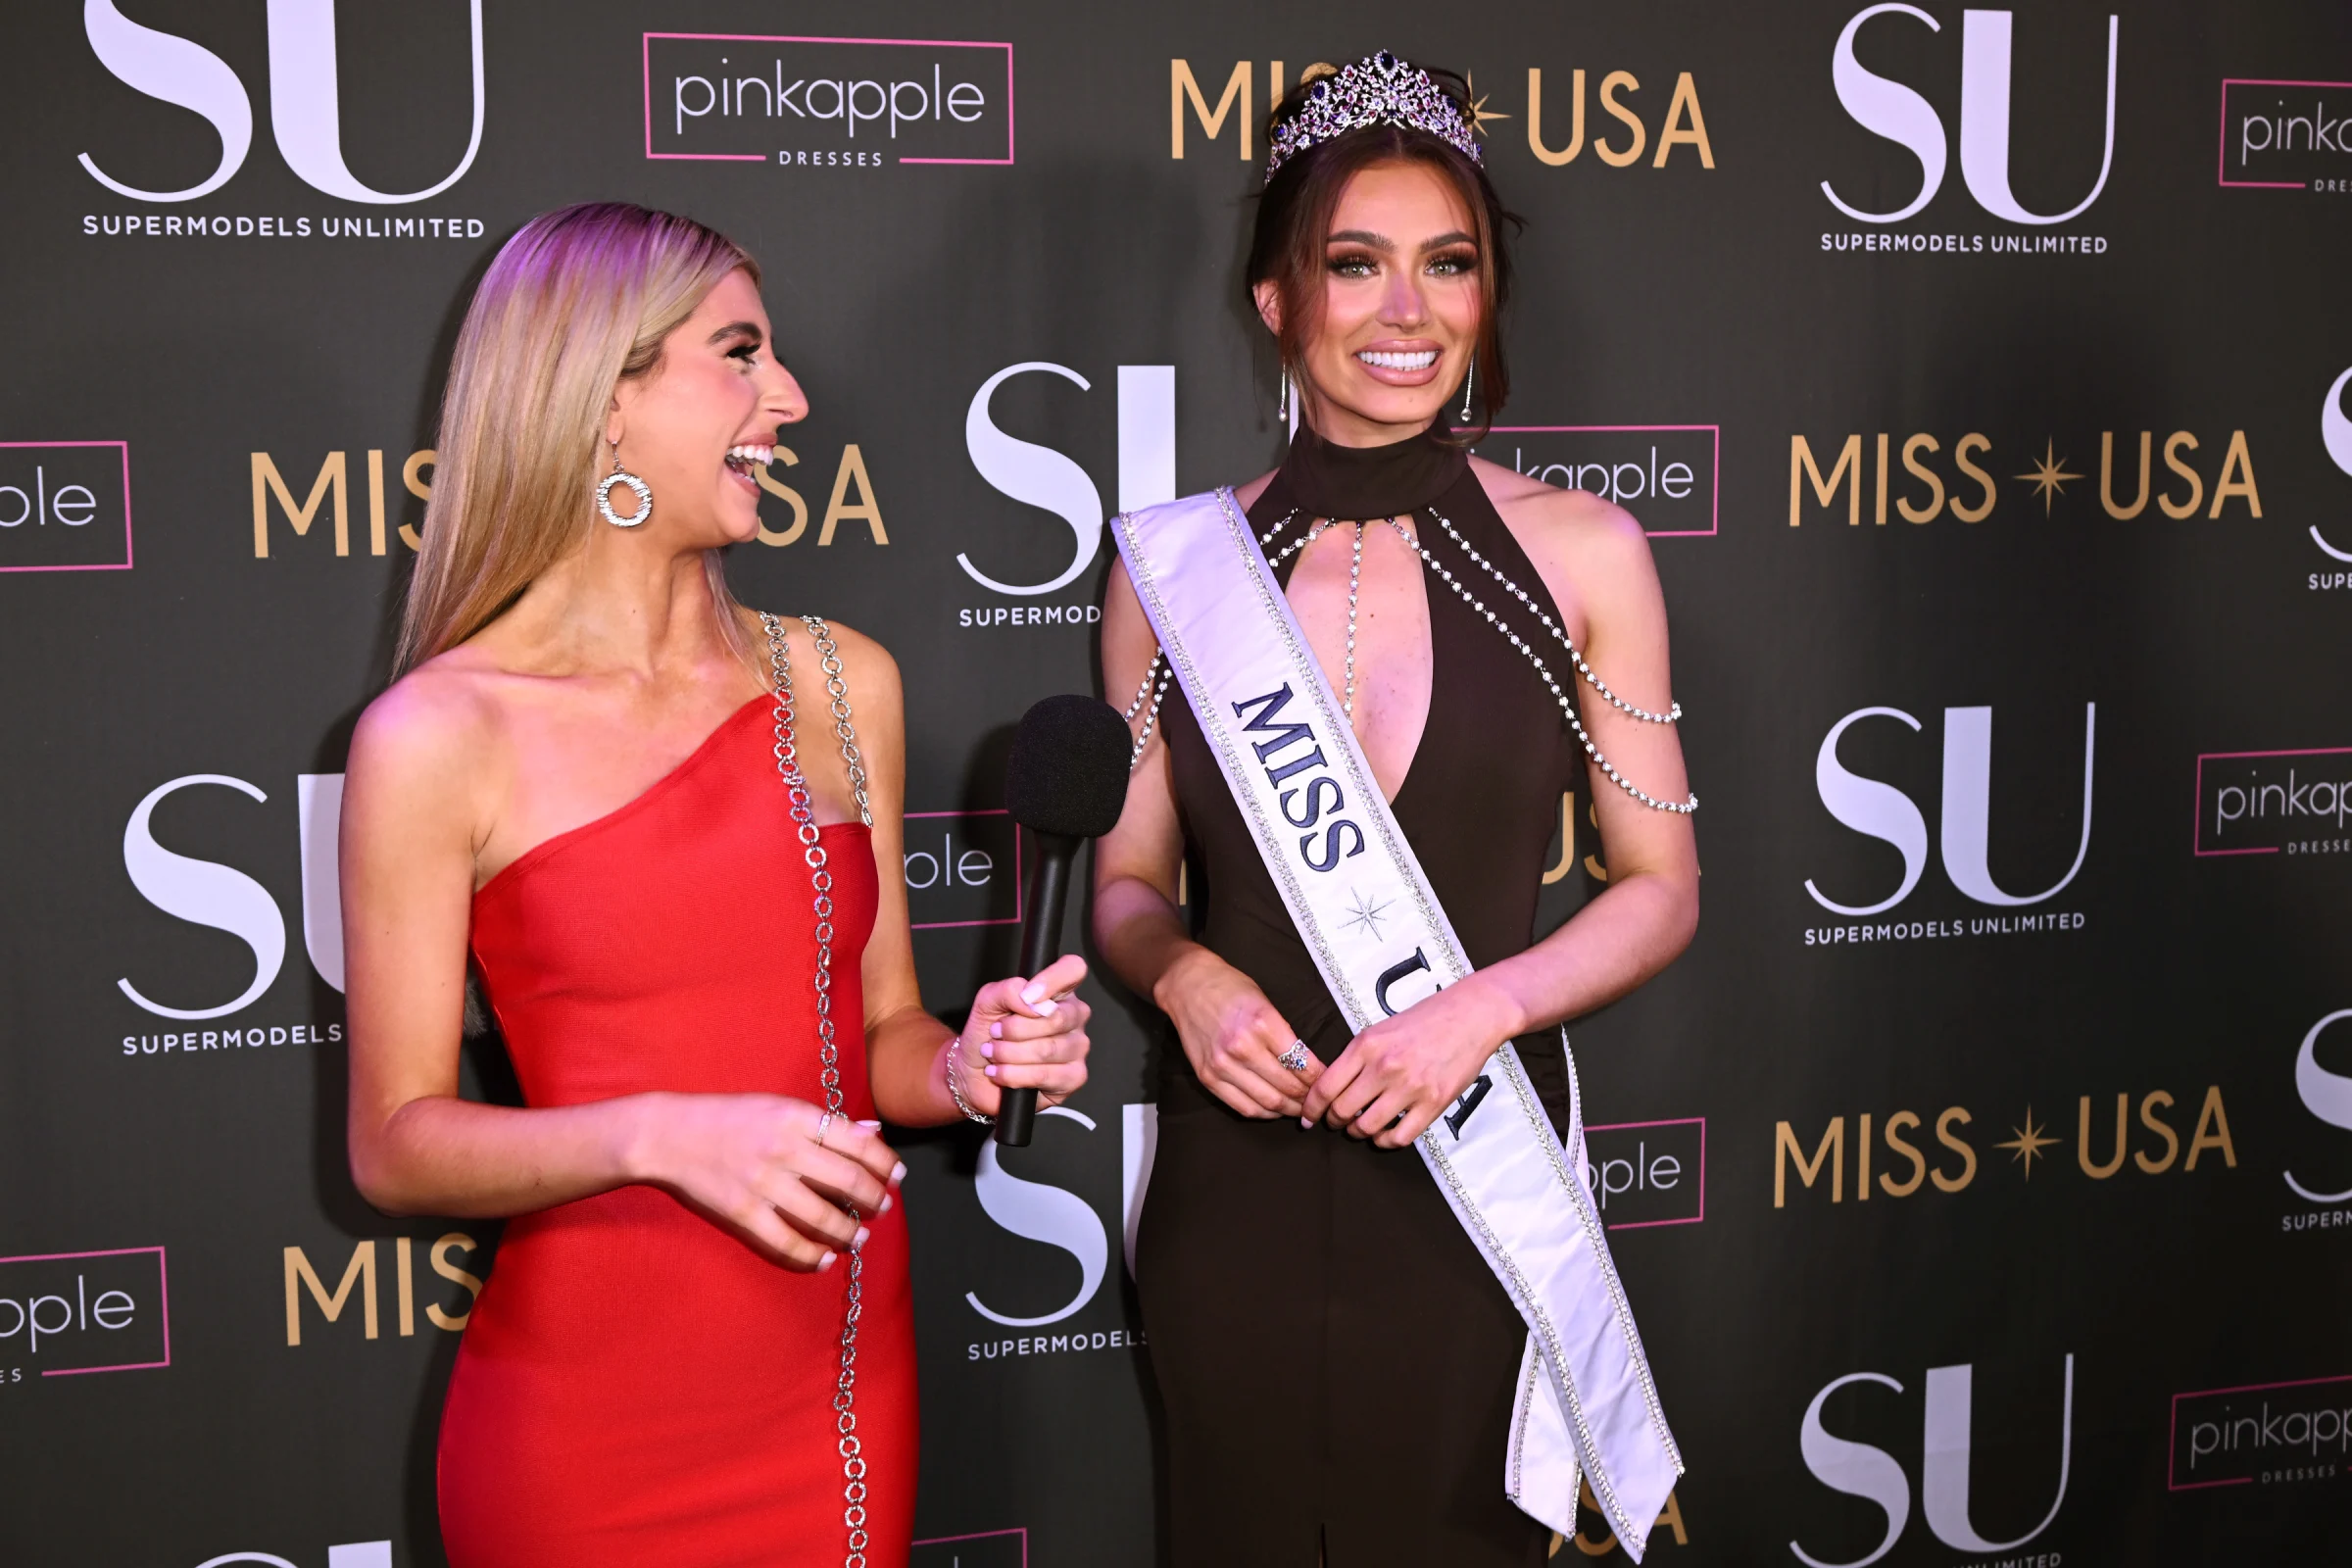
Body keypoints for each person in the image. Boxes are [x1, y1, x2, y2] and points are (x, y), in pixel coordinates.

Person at [339, 202, 1091, 1568]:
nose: (790, 398)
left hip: (844, 1387)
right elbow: (395, 1141)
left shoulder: (840, 682)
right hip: (589, 1429)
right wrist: (660, 1134)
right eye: (739, 353)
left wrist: (972, 1059)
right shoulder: (440, 735)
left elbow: (883, 1040)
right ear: (602, 399)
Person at [1094, 54, 1697, 1567]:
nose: (1406, 311)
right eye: (1353, 265)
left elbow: (1658, 888)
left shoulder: (1586, 553)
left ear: (1488, 297)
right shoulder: (1169, 571)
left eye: (1449, 266)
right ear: (1276, 301)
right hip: (1230, 1190)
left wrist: (1474, 1015)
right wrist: (1184, 974)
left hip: (1473, 1186)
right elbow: (1125, 883)